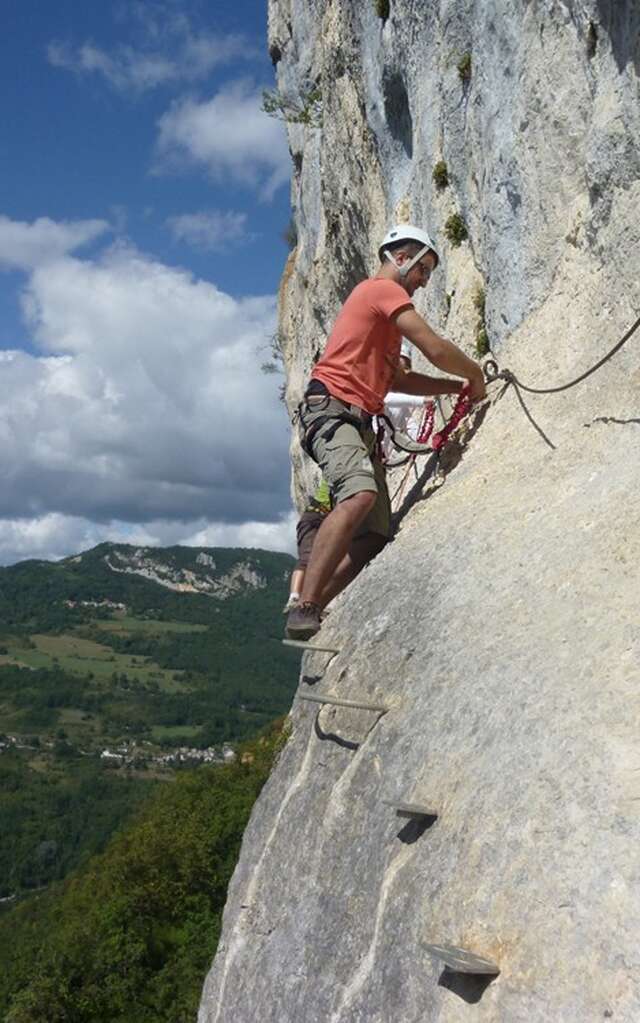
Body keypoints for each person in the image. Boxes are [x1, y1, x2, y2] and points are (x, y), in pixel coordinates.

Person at [286, 224, 486, 640]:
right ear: (401, 258)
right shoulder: (381, 290)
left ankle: (315, 604)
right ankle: (304, 605)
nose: (424, 281)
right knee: (360, 493)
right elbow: (433, 346)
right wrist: (473, 373)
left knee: (375, 534)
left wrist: (454, 387)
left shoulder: (384, 322)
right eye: (423, 268)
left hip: (355, 421)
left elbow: (399, 381)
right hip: (335, 411)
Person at [284, 479, 332, 613]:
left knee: (319, 559)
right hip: (313, 519)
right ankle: (294, 597)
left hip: (317, 518)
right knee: (307, 557)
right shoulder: (335, 480)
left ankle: (309, 600)